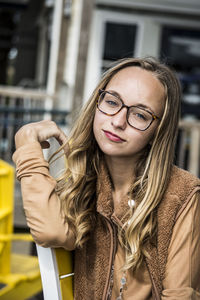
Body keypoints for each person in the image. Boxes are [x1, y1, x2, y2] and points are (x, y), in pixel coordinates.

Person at [13, 57, 200, 300]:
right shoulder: (84, 180)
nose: (118, 121)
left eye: (140, 116)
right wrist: (27, 143)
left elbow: (180, 295)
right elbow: (52, 232)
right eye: (112, 102)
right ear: (97, 103)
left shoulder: (183, 194)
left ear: (158, 132)